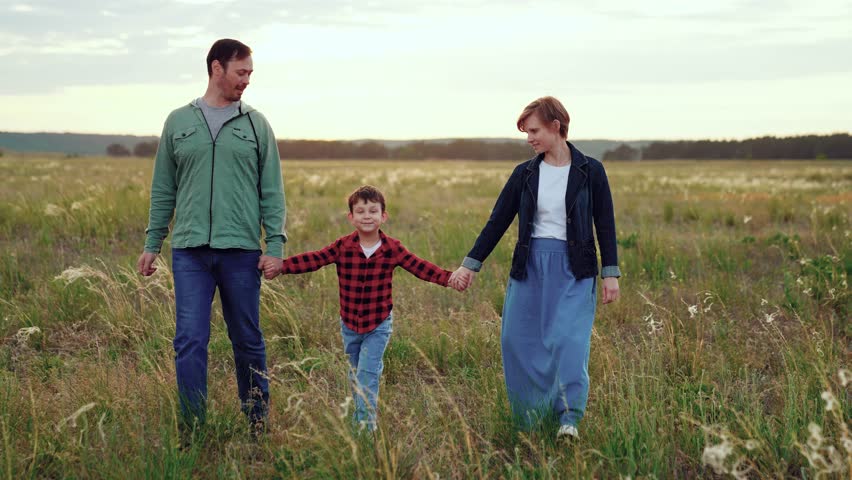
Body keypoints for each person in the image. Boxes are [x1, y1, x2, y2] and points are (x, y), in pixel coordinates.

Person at [136, 38, 286, 437]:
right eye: (241, 72)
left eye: (251, 73)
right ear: (216, 68)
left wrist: (276, 246)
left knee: (247, 339)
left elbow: (272, 191)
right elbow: (163, 188)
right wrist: (153, 243)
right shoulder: (178, 122)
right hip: (189, 252)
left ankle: (256, 422)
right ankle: (193, 427)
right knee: (189, 340)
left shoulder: (256, 124)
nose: (247, 81)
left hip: (240, 251)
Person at [449, 96, 620, 441]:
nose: (529, 139)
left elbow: (605, 223)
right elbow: (497, 221)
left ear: (556, 127)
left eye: (534, 131)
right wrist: (471, 264)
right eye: (526, 132)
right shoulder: (524, 174)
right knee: (517, 340)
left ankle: (569, 418)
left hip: (575, 268)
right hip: (530, 266)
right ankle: (530, 418)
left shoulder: (591, 171)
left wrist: (611, 273)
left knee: (568, 341)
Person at [264, 185, 461, 431]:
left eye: (373, 211)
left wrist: (448, 278)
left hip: (378, 323)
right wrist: (283, 265)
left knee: (366, 376)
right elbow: (315, 259)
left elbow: (419, 266)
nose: (367, 216)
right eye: (360, 211)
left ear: (383, 216)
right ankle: (362, 406)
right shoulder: (342, 246)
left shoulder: (392, 248)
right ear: (351, 217)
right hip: (349, 324)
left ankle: (365, 430)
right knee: (357, 373)